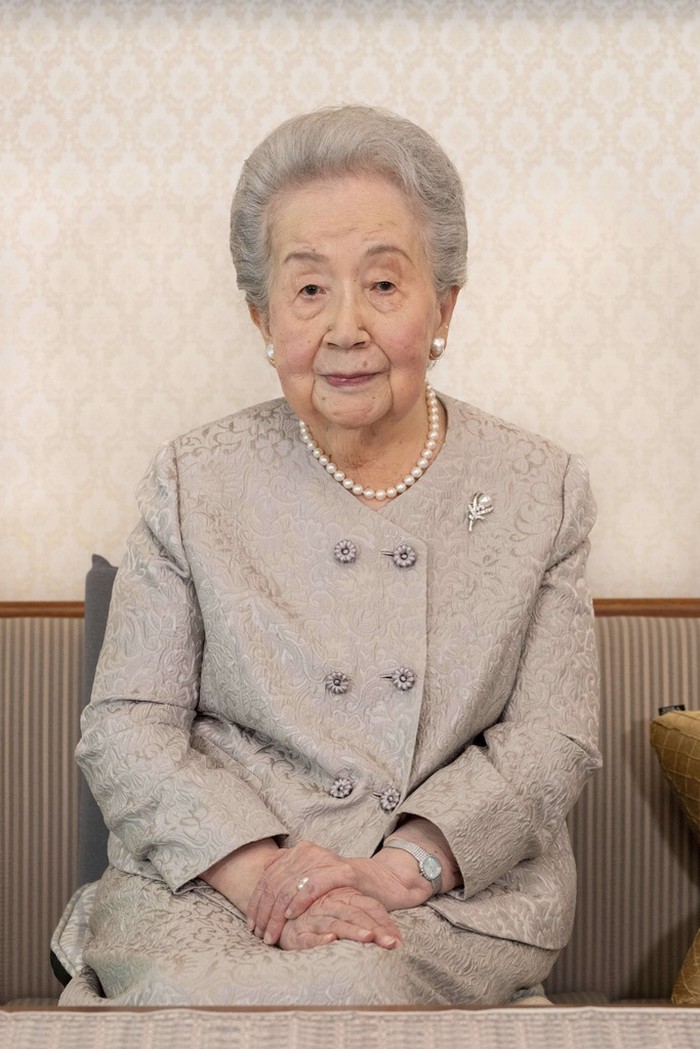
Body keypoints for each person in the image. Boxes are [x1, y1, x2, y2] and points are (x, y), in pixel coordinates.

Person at [57, 105, 600, 1007]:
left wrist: (396, 870)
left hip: (445, 895)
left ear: (444, 307)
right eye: (309, 290)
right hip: (215, 882)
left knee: (354, 980)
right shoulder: (194, 480)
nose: (345, 327)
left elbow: (552, 740)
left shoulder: (540, 487)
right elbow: (126, 728)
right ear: (263, 316)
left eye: (383, 284)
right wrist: (268, 875)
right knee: (223, 1000)